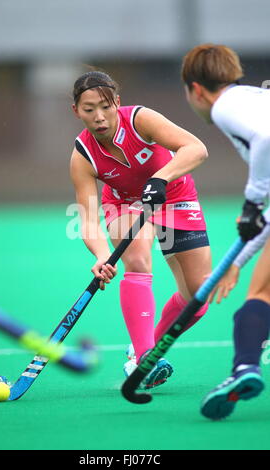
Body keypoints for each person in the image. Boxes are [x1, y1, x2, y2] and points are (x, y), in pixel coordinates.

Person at [70, 70, 211, 389]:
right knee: (136, 260)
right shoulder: (83, 155)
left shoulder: (140, 119)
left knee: (198, 296)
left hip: (174, 196)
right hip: (124, 204)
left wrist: (161, 178)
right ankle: (146, 357)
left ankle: (141, 350)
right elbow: (89, 218)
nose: (99, 117)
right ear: (76, 111)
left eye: (105, 107)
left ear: (117, 103)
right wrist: (103, 255)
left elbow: (196, 148)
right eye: (89, 110)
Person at [182, 43, 270, 420]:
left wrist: (252, 203)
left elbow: (267, 139)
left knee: (261, 295)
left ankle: (246, 368)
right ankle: (245, 367)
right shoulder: (255, 99)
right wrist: (240, 260)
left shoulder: (227, 106)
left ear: (196, 89)